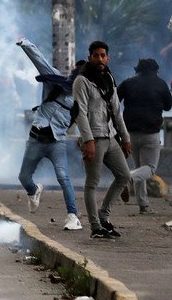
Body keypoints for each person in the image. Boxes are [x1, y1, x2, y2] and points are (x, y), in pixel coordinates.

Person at [15, 38, 84, 231]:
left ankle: (73, 216)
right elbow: (41, 62)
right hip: (36, 139)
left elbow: (88, 119)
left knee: (63, 177)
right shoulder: (55, 80)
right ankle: (34, 190)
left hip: (56, 142)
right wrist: (26, 44)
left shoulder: (81, 98)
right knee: (24, 177)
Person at [73, 40, 132, 239]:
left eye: (103, 55)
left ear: (108, 58)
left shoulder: (109, 78)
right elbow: (80, 113)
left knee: (124, 175)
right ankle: (95, 226)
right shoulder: (82, 81)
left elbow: (117, 111)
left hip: (110, 136)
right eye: (96, 55)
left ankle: (104, 217)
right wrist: (87, 140)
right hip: (94, 139)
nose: (100, 59)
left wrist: (125, 138)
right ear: (90, 57)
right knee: (92, 183)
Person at [116, 58, 172, 214]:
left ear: (137, 70)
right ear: (155, 70)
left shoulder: (128, 82)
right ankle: (128, 178)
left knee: (139, 168)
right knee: (150, 169)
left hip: (130, 133)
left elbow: (114, 100)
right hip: (151, 133)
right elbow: (168, 105)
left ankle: (143, 205)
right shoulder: (161, 83)